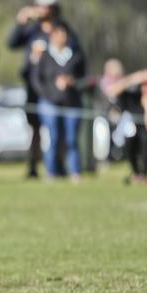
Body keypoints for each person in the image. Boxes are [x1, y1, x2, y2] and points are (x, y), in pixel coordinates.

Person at [8, 0, 81, 178]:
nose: (40, 9)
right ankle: (33, 165)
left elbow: (76, 55)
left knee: (60, 131)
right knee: (35, 128)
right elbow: (12, 43)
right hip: (34, 86)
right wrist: (20, 22)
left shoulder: (64, 29)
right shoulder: (33, 30)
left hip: (58, 91)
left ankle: (59, 166)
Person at [32, 23, 86, 183]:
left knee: (71, 139)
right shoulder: (45, 56)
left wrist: (73, 82)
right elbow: (36, 80)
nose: (61, 37)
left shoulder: (76, 54)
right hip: (50, 103)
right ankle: (51, 172)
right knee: (53, 137)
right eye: (57, 33)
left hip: (72, 103)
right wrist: (50, 94)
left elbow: (87, 77)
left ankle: (75, 172)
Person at [105, 69, 147, 185]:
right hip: (135, 134)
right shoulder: (136, 96)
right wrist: (135, 77)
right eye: (144, 83)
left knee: (146, 138)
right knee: (130, 139)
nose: (146, 87)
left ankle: (144, 174)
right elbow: (112, 91)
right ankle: (137, 173)